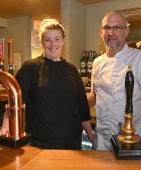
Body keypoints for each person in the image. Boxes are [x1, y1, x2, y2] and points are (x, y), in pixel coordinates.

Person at [88, 10, 141, 158]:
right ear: (101, 32)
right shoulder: (97, 62)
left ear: (126, 31)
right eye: (107, 28)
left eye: (117, 28)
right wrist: (72, 109)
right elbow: (95, 94)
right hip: (101, 144)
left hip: (131, 145)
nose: (111, 33)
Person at [0, 18, 93, 149]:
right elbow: (15, 101)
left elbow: (82, 107)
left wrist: (91, 136)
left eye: (57, 39)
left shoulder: (72, 70)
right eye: (47, 39)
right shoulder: (30, 67)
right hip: (41, 145)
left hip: (73, 144)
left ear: (63, 41)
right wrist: (5, 127)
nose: (52, 44)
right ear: (42, 42)